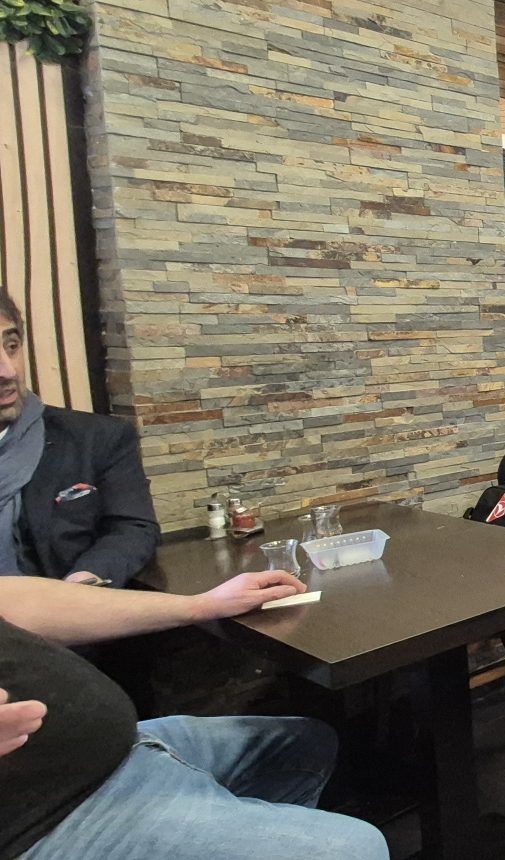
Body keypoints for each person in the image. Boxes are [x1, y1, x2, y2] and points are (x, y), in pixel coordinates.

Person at [0, 571, 391, 859]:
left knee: (304, 745)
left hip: (121, 749)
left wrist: (203, 603)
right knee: (355, 848)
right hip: (44, 821)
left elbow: (14, 600)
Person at [0, 289, 160, 587]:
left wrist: (84, 582)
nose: (8, 371)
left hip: (64, 609)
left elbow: (131, 527)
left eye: (11, 346)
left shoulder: (97, 438)